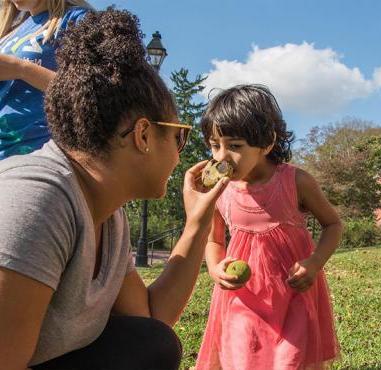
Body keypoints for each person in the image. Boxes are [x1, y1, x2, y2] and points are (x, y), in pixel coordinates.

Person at [0, 8, 229, 370]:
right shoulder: (38, 200)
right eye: (179, 135)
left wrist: (198, 222)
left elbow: (149, 320)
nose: (180, 151)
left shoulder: (107, 213)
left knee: (152, 345)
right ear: (143, 135)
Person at [194, 84, 342, 370]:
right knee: (240, 356)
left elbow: (333, 224)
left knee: (290, 361)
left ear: (266, 143)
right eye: (215, 145)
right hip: (243, 297)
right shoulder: (217, 189)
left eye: (235, 146)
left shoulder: (295, 181)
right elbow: (214, 240)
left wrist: (314, 263)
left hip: (293, 294)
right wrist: (215, 269)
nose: (221, 156)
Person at [0, 0, 91, 159]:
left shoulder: (77, 19)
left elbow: (93, 94)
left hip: (38, 154)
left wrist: (21, 69)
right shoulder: (12, 30)